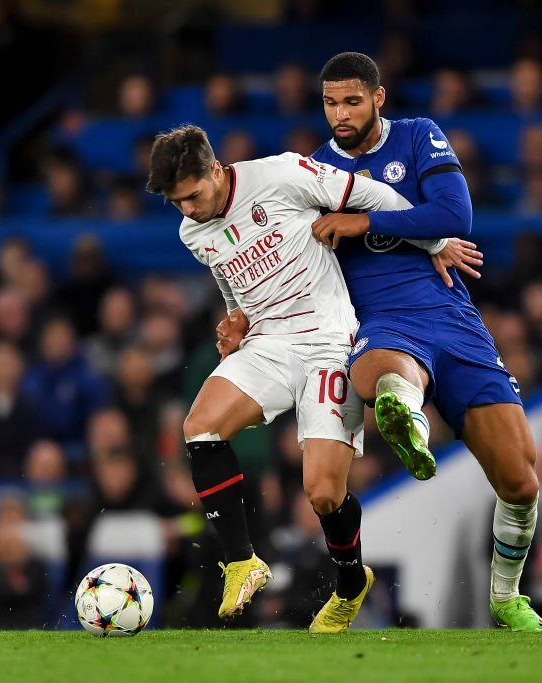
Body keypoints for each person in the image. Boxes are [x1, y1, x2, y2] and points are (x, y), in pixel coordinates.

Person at [145, 124, 471, 632]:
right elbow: (230, 276)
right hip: (269, 344)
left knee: (321, 492)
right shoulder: (193, 230)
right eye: (175, 202)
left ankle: (349, 582)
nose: (186, 210)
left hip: (328, 344)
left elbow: (378, 194)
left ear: (215, 170)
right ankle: (241, 561)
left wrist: (435, 241)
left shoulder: (283, 173)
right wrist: (237, 318)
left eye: (191, 195)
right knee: (200, 427)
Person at [305, 52, 542, 631]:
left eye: (352, 101)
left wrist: (369, 224)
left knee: (520, 479)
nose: (340, 114)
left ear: (378, 98)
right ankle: (404, 414)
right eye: (330, 103)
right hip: (381, 319)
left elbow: (454, 214)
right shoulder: (312, 171)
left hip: (451, 316)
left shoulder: (418, 137)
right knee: (385, 374)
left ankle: (507, 596)